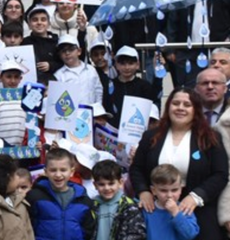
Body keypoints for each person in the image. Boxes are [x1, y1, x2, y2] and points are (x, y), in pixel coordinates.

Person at [130, 87, 227, 239]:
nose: (180, 108)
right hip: (157, 208)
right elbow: (136, 168)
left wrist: (195, 197)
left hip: (197, 208)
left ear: (196, 109)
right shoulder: (150, 136)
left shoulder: (210, 137)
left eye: (187, 105)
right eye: (176, 103)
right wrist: (143, 191)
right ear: (168, 106)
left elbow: (220, 174)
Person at [26, 148, 96, 240]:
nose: (58, 175)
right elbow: (26, 225)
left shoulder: (83, 200)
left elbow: (88, 229)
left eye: (63, 170)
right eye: (53, 170)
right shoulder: (34, 196)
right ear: (46, 172)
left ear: (71, 172)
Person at [92, 159, 145, 240]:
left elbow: (136, 235)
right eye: (101, 184)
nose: (107, 188)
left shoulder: (129, 207)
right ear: (95, 185)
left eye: (111, 183)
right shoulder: (91, 205)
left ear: (120, 182)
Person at [142, 165, 199, 240]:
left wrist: (176, 213)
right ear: (153, 190)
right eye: (163, 190)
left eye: (174, 190)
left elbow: (191, 234)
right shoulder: (148, 209)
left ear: (181, 189)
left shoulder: (185, 209)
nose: (169, 195)